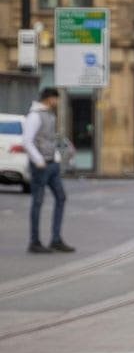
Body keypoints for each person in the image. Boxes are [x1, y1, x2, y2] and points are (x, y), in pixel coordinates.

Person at [23, 87, 74, 255]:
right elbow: (27, 141)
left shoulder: (49, 114)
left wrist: (57, 157)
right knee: (37, 202)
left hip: (52, 164)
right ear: (49, 98)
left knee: (61, 197)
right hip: (41, 165)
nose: (57, 102)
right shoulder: (34, 116)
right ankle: (34, 241)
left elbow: (50, 139)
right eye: (55, 99)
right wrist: (38, 160)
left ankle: (56, 239)